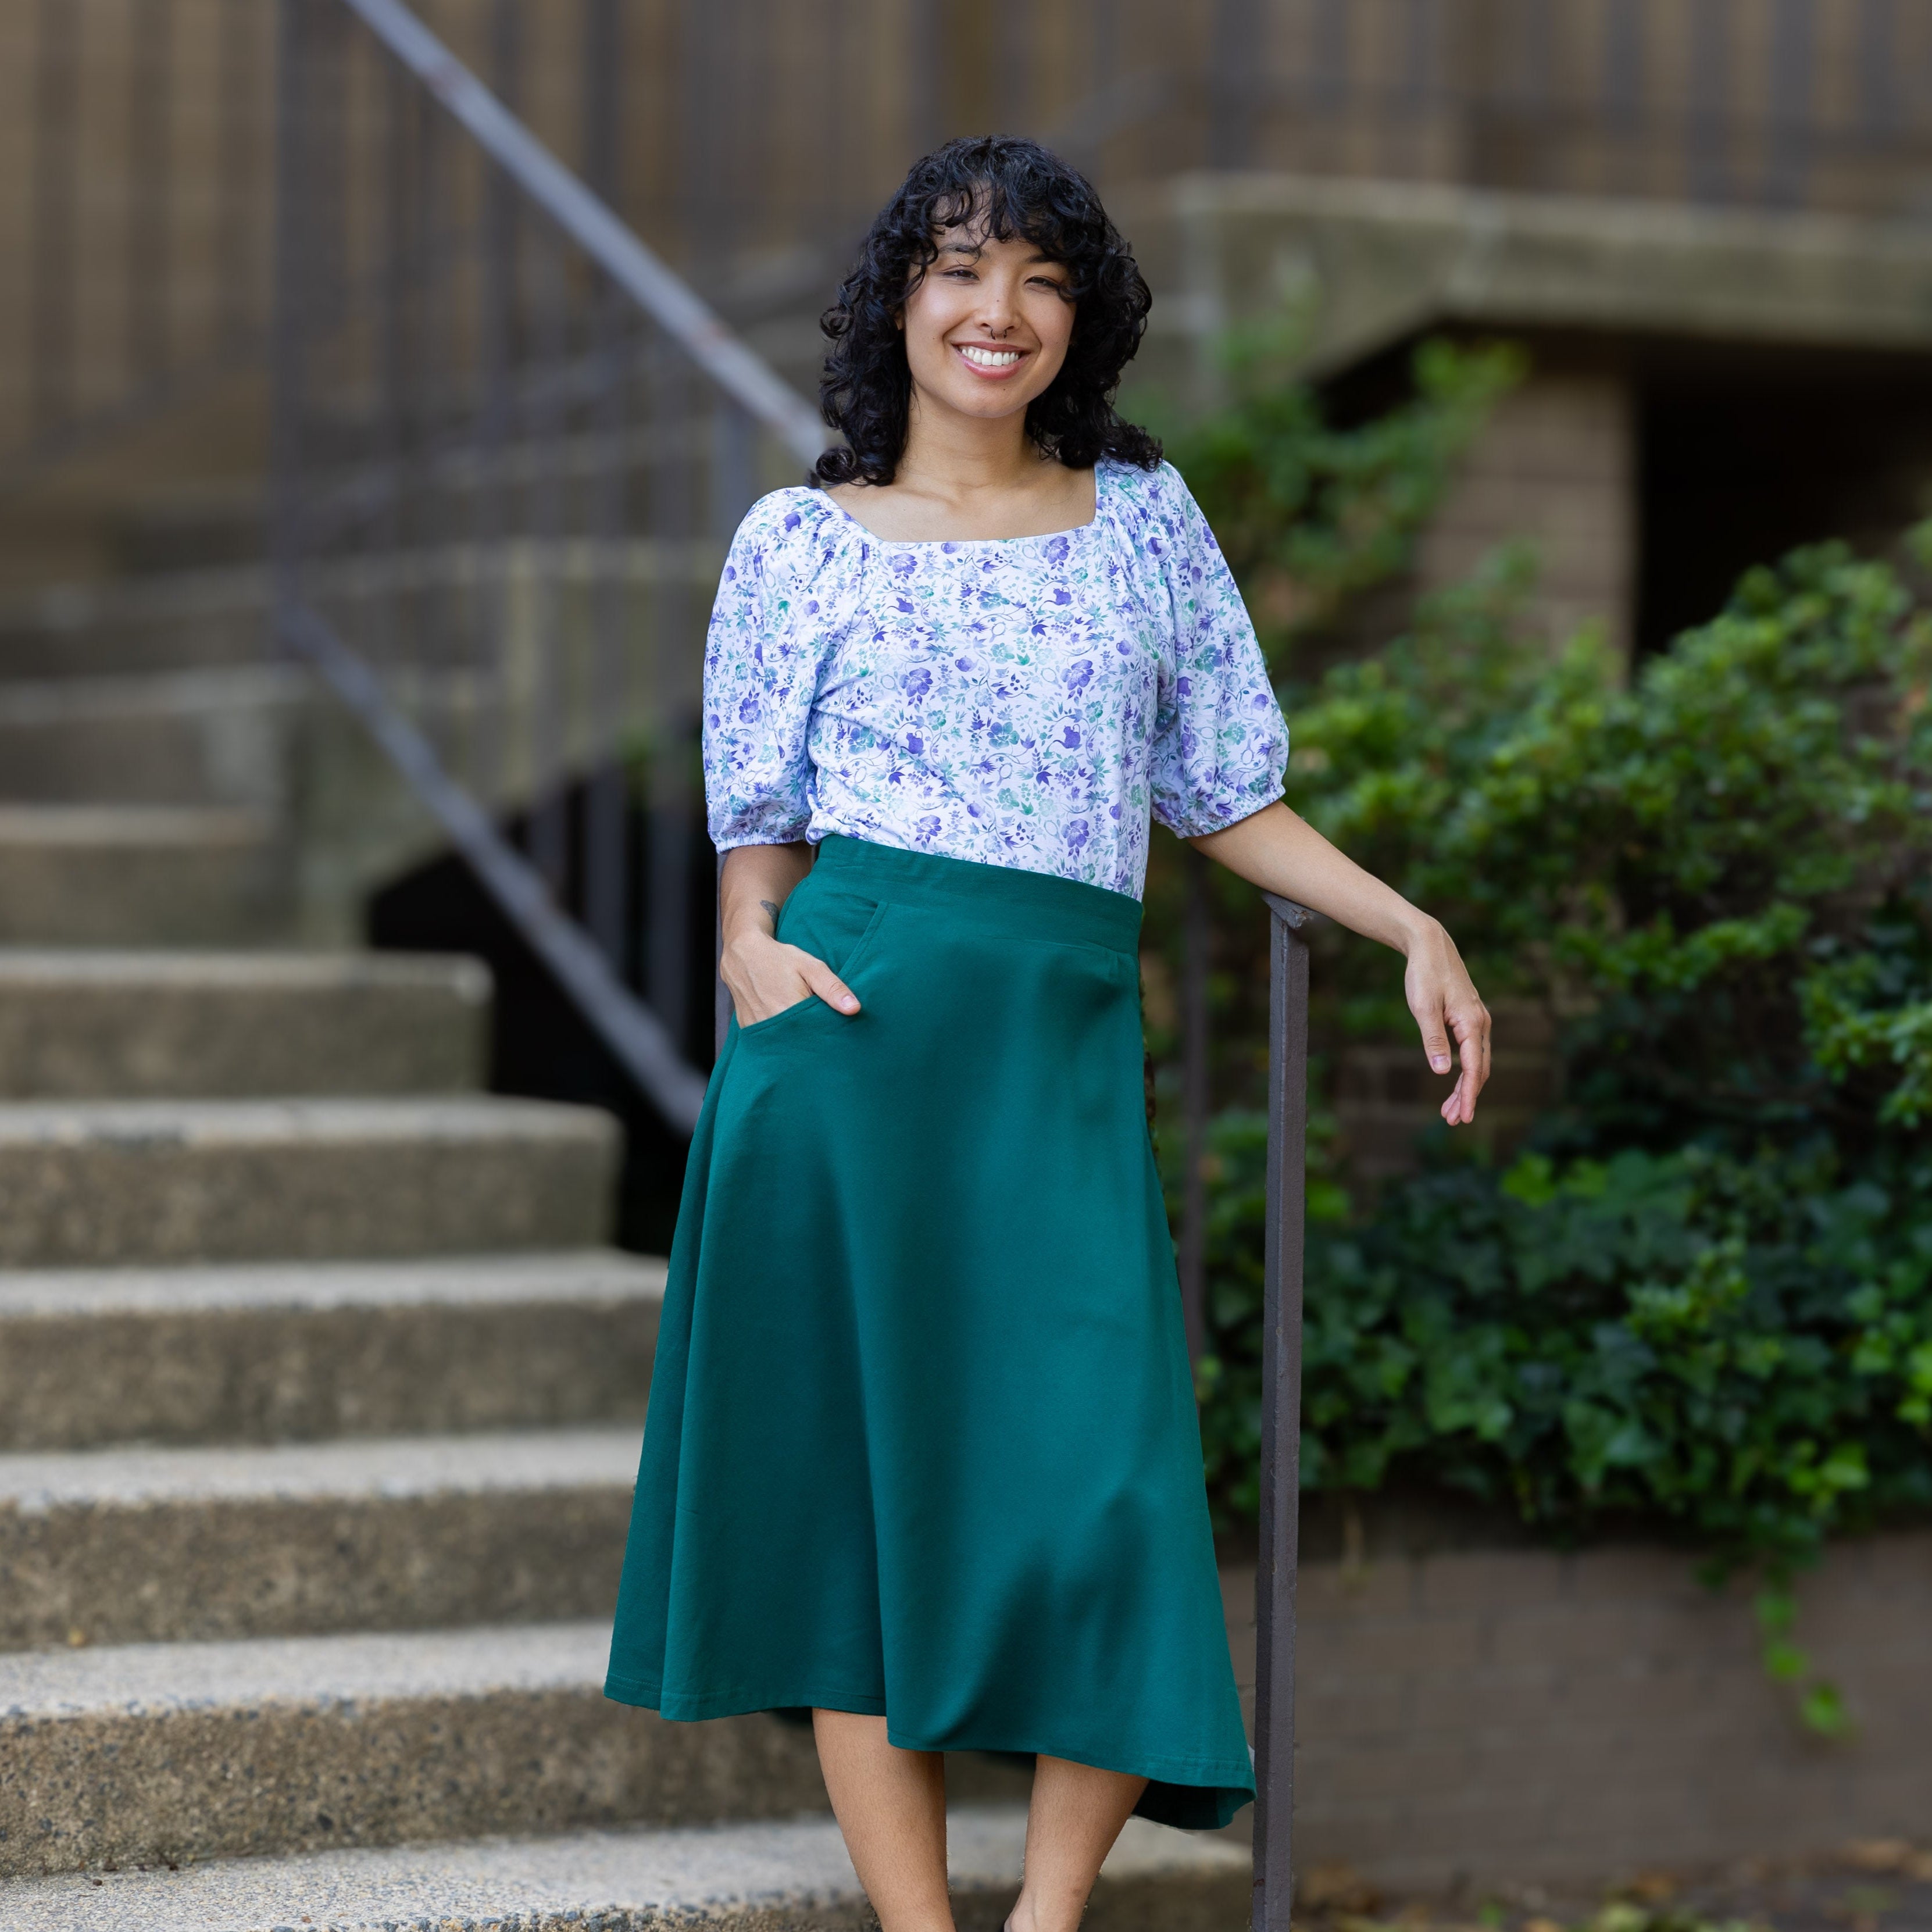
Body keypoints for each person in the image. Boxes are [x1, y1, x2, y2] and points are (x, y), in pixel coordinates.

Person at [605, 135, 1490, 1932]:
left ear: (1077, 321)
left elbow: (1221, 792)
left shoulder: (1140, 520)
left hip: (1055, 1051)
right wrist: (745, 956)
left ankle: (1046, 1916)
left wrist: (1402, 918)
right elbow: (750, 827)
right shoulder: (793, 542)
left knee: (1100, 1487)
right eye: (957, 269)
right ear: (896, 302)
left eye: (1040, 279)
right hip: (844, 1047)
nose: (995, 311)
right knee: (860, 1516)